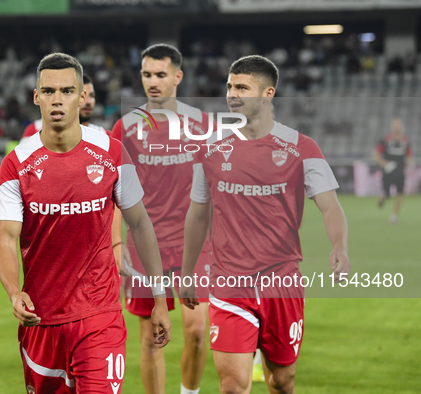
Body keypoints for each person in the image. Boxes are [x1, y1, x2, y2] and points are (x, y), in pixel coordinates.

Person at [0, 53, 172, 394]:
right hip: (41, 319)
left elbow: (141, 225)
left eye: (67, 91)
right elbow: (6, 238)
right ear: (36, 97)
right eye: (48, 91)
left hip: (99, 315)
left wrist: (159, 299)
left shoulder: (113, 153)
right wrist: (14, 292)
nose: (57, 99)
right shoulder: (15, 164)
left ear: (82, 96)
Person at [181, 55, 351, 394]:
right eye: (229, 86)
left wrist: (340, 247)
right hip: (229, 283)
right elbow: (198, 213)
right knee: (232, 385)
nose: (232, 94)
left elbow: (330, 206)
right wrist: (188, 272)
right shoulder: (212, 149)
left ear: (268, 93)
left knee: (282, 381)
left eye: (242, 87)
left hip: (282, 284)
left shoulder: (302, 148)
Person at [111, 44, 213, 394]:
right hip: (144, 246)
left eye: (160, 75)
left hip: (193, 246)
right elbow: (113, 192)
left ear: (177, 77)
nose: (152, 82)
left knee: (197, 333)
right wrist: (117, 241)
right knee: (152, 338)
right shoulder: (125, 128)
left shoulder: (202, 125)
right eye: (146, 75)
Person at [21, 74, 109, 141]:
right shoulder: (35, 131)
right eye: (81, 96)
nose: (88, 102)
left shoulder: (104, 136)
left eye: (92, 95)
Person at [374, 118, 413, 225]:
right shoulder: (385, 140)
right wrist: (384, 164)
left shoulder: (405, 141)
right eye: (395, 125)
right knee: (386, 193)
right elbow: (376, 154)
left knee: (400, 193)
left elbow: (409, 154)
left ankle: (394, 216)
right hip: (388, 171)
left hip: (400, 171)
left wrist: (408, 163)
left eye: (399, 125)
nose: (397, 127)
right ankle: (383, 197)